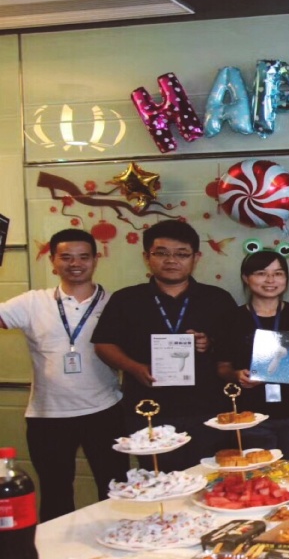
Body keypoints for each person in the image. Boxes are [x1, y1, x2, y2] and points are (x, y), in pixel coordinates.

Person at [0, 229, 128, 521]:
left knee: (116, 491)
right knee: (55, 495)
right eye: (66, 257)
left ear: (96, 259)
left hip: (105, 411)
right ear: (53, 261)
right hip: (48, 416)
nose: (75, 264)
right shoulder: (33, 302)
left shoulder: (115, 303)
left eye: (83, 257)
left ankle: (117, 545)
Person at [92, 220, 236, 471]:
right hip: (148, 409)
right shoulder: (126, 299)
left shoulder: (217, 299)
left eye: (182, 254)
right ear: (146, 257)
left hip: (207, 410)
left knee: (207, 478)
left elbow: (234, 348)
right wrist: (134, 367)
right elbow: (104, 344)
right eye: (161, 253)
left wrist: (209, 343)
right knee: (159, 480)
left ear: (196, 257)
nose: (171, 260)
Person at [216, 251, 289, 462]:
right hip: (251, 415)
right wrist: (237, 375)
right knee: (258, 474)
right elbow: (222, 367)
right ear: (246, 278)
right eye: (261, 273)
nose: (271, 280)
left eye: (278, 273)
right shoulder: (231, 318)